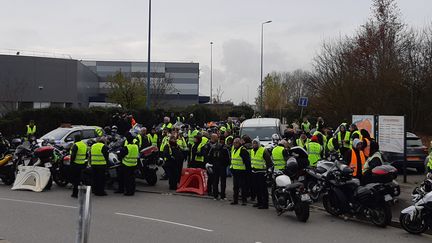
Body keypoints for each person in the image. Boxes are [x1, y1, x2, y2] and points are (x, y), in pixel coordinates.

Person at [250, 138, 272, 209]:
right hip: (254, 172)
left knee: (263, 189)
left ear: (258, 144)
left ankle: (265, 204)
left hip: (262, 172)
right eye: (253, 143)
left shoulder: (263, 150)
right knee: (256, 188)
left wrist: (268, 171)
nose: (254, 145)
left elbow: (269, 161)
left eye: (256, 143)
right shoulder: (252, 151)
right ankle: (259, 202)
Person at [207, 135, 230, 200]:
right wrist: (225, 165)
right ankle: (222, 196)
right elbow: (228, 159)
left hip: (216, 166)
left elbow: (209, 157)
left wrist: (211, 164)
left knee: (215, 181)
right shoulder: (225, 148)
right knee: (222, 182)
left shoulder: (213, 147)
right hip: (221, 167)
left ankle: (215, 195)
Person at [230, 138, 251, 206]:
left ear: (239, 143)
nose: (234, 144)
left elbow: (247, 162)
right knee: (235, 187)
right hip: (235, 171)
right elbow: (233, 161)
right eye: (234, 143)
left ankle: (244, 200)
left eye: (236, 143)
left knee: (243, 187)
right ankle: (235, 200)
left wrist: (247, 172)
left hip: (242, 171)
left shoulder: (243, 150)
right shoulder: (234, 150)